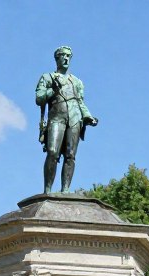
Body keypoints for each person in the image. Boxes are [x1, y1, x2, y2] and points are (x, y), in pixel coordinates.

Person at [35, 46, 99, 194]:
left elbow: (80, 101)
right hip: (57, 117)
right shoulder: (47, 77)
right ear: (56, 58)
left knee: (70, 155)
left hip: (75, 118)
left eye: (68, 56)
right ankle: (48, 190)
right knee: (52, 151)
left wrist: (88, 116)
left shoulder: (76, 81)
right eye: (63, 56)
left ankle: (65, 190)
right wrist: (53, 91)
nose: (66, 58)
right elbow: (39, 99)